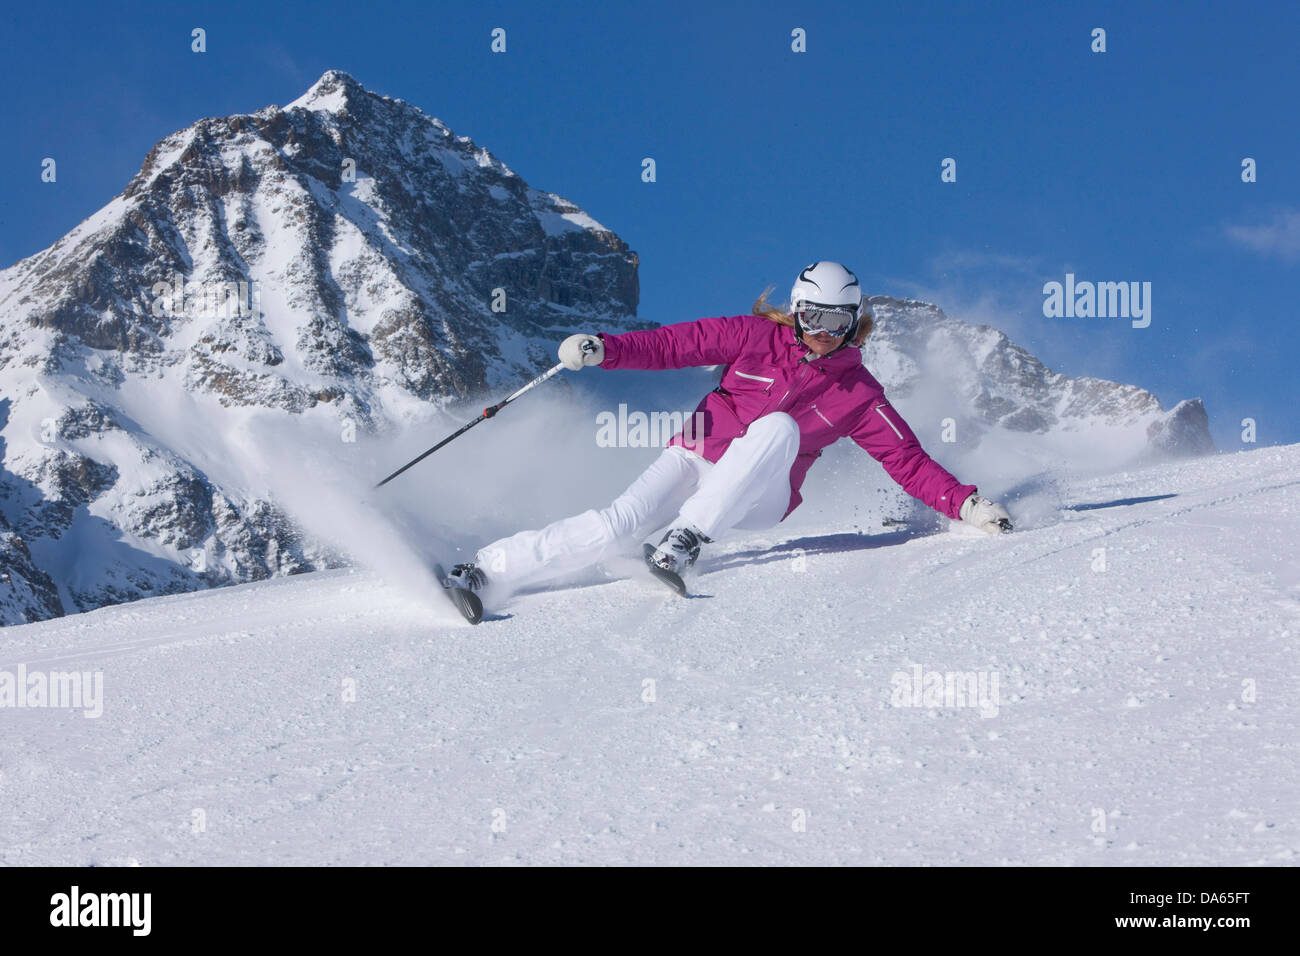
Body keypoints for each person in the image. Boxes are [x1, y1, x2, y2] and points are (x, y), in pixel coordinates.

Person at [447, 261, 1012, 606]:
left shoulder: (858, 392)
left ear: (854, 322)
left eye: (839, 323)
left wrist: (968, 506)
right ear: (796, 312)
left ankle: (685, 542)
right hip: (697, 453)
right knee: (616, 526)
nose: (824, 334)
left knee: (777, 426)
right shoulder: (751, 337)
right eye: (814, 318)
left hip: (759, 494)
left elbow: (906, 460)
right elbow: (672, 344)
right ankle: (484, 571)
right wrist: (601, 347)